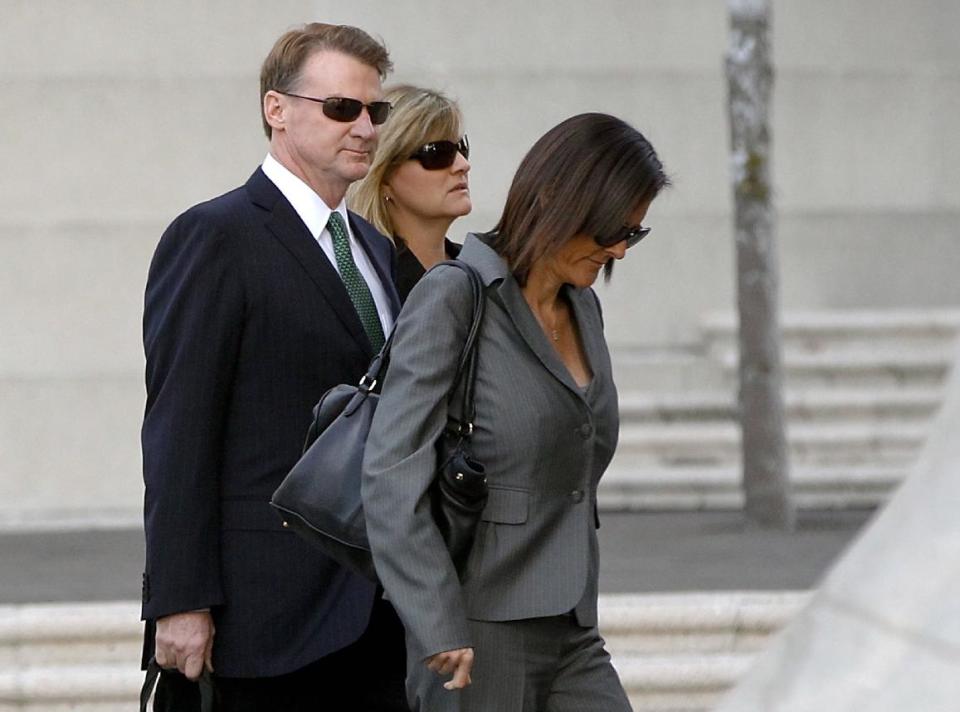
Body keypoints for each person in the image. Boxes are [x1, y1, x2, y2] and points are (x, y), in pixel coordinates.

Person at [141, 23, 409, 711]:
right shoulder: (216, 237)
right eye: (342, 108)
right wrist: (179, 600)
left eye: (375, 111)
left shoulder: (376, 250)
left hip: (378, 615)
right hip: (264, 623)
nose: (365, 128)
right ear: (277, 109)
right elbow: (179, 431)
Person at [363, 112, 670, 711]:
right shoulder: (455, 295)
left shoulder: (584, 309)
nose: (619, 251)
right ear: (557, 200)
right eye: (614, 229)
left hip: (573, 626)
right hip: (475, 633)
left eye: (634, 235)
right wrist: (437, 622)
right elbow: (389, 474)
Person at [349, 84, 471, 303]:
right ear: (384, 176)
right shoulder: (371, 286)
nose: (462, 165)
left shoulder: (481, 274)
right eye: (438, 153)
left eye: (461, 148)